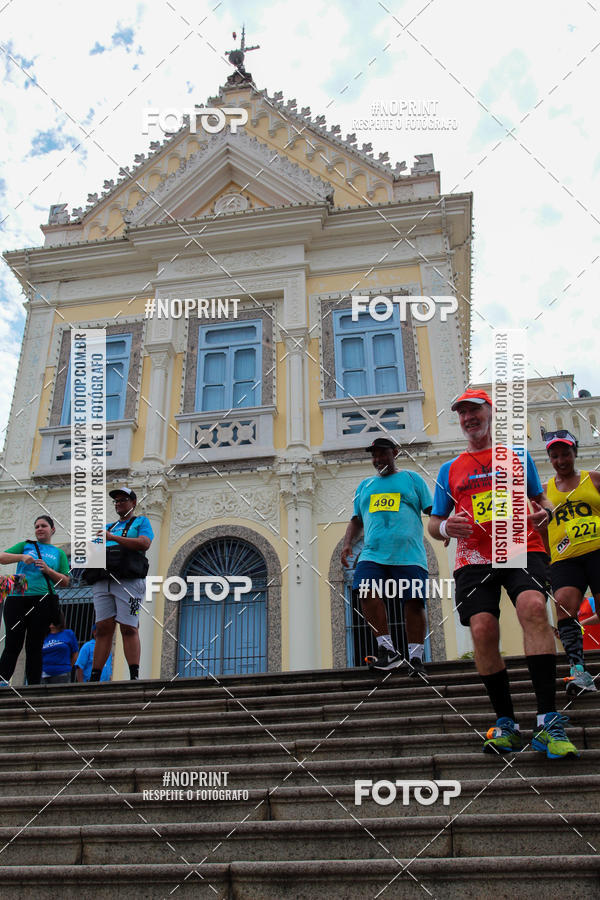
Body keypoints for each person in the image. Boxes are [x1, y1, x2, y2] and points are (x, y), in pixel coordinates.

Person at [428, 388, 578, 759]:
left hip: (521, 547)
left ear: (489, 412)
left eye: (474, 410)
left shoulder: (517, 456)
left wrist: (545, 513)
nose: (468, 418)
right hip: (473, 558)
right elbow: (434, 523)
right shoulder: (449, 470)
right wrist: (448, 529)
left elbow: (541, 501)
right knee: (482, 629)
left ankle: (546, 720)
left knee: (531, 608)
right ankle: (506, 721)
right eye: (462, 413)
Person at [341, 437, 433, 674]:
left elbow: (432, 510)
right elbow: (356, 519)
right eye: (374, 455)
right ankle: (388, 650)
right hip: (373, 554)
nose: (378, 459)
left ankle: (415, 657)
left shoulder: (412, 479)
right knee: (364, 589)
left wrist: (445, 530)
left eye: (383, 454)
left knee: (413, 602)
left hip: (409, 554)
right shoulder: (365, 486)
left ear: (395, 453)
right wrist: (347, 544)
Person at [542, 429, 600, 693]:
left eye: (565, 453)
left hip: (597, 551)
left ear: (575, 453)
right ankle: (579, 671)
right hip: (564, 558)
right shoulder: (544, 492)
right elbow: (541, 529)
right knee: (564, 606)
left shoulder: (594, 479)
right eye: (555, 456)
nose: (561, 460)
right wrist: (546, 560)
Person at [90, 487, 153, 682]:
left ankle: (134, 674)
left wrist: (114, 539)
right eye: (116, 501)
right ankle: (95, 676)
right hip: (103, 579)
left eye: (123, 500)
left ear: (133, 503)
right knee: (103, 627)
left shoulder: (141, 521)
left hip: (130, 582)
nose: (118, 503)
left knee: (129, 627)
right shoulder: (107, 526)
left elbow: (144, 543)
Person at [0, 515, 70, 686]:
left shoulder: (58, 552)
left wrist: (48, 570)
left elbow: (65, 581)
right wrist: (21, 558)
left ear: (52, 530)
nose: (39, 528)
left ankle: (33, 685)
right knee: (13, 642)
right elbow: (2, 557)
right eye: (37, 526)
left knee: (35, 644)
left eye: (43, 526)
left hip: (43, 597)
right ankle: (2, 680)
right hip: (19, 592)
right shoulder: (26, 545)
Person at [41, 616, 79, 684]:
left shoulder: (68, 633)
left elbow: (75, 653)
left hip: (62, 674)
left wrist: (68, 667)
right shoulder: (43, 635)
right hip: (43, 674)